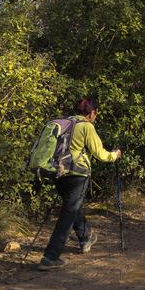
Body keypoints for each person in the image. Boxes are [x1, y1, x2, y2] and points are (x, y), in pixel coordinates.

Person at [37, 97, 121, 271]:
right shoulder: (86, 127)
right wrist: (115, 155)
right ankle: (50, 257)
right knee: (68, 213)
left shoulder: (63, 123)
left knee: (72, 207)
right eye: (96, 113)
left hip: (58, 173)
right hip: (78, 174)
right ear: (92, 113)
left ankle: (85, 238)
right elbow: (100, 154)